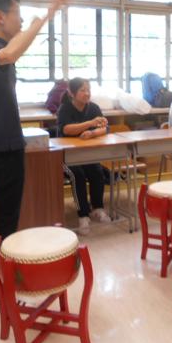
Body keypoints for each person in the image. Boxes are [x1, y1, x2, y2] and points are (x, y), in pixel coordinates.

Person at [0, 0, 66, 312]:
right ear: (0, 16)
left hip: (6, 144)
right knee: (4, 221)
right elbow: (10, 54)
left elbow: (11, 52)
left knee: (7, 219)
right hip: (1, 147)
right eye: (17, 14)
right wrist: (45, 18)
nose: (21, 20)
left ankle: (3, 286)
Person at [57, 78, 111, 235]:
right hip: (66, 156)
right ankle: (83, 215)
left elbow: (105, 128)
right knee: (78, 175)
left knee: (97, 171)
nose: (87, 93)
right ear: (72, 93)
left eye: (88, 90)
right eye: (83, 90)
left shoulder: (93, 107)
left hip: (86, 154)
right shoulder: (65, 109)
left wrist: (93, 133)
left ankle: (98, 208)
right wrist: (90, 123)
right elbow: (66, 129)